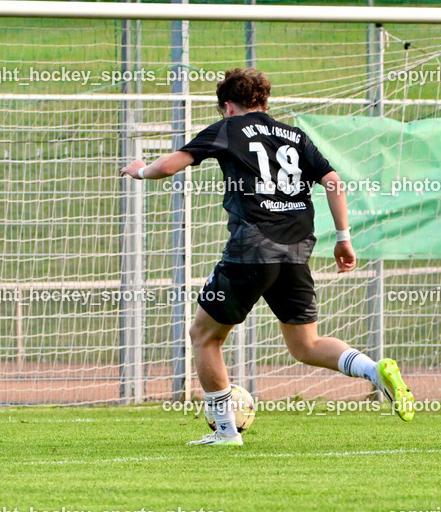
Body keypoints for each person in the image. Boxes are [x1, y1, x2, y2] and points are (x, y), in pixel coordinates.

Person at [120, 68, 415, 445]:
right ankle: (375, 371)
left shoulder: (228, 128)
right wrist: (343, 238)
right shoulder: (294, 135)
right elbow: (333, 182)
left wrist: (140, 170)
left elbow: (168, 166)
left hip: (251, 248)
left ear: (228, 106)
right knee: (305, 345)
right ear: (264, 101)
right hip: (297, 251)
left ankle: (226, 433)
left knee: (204, 336)